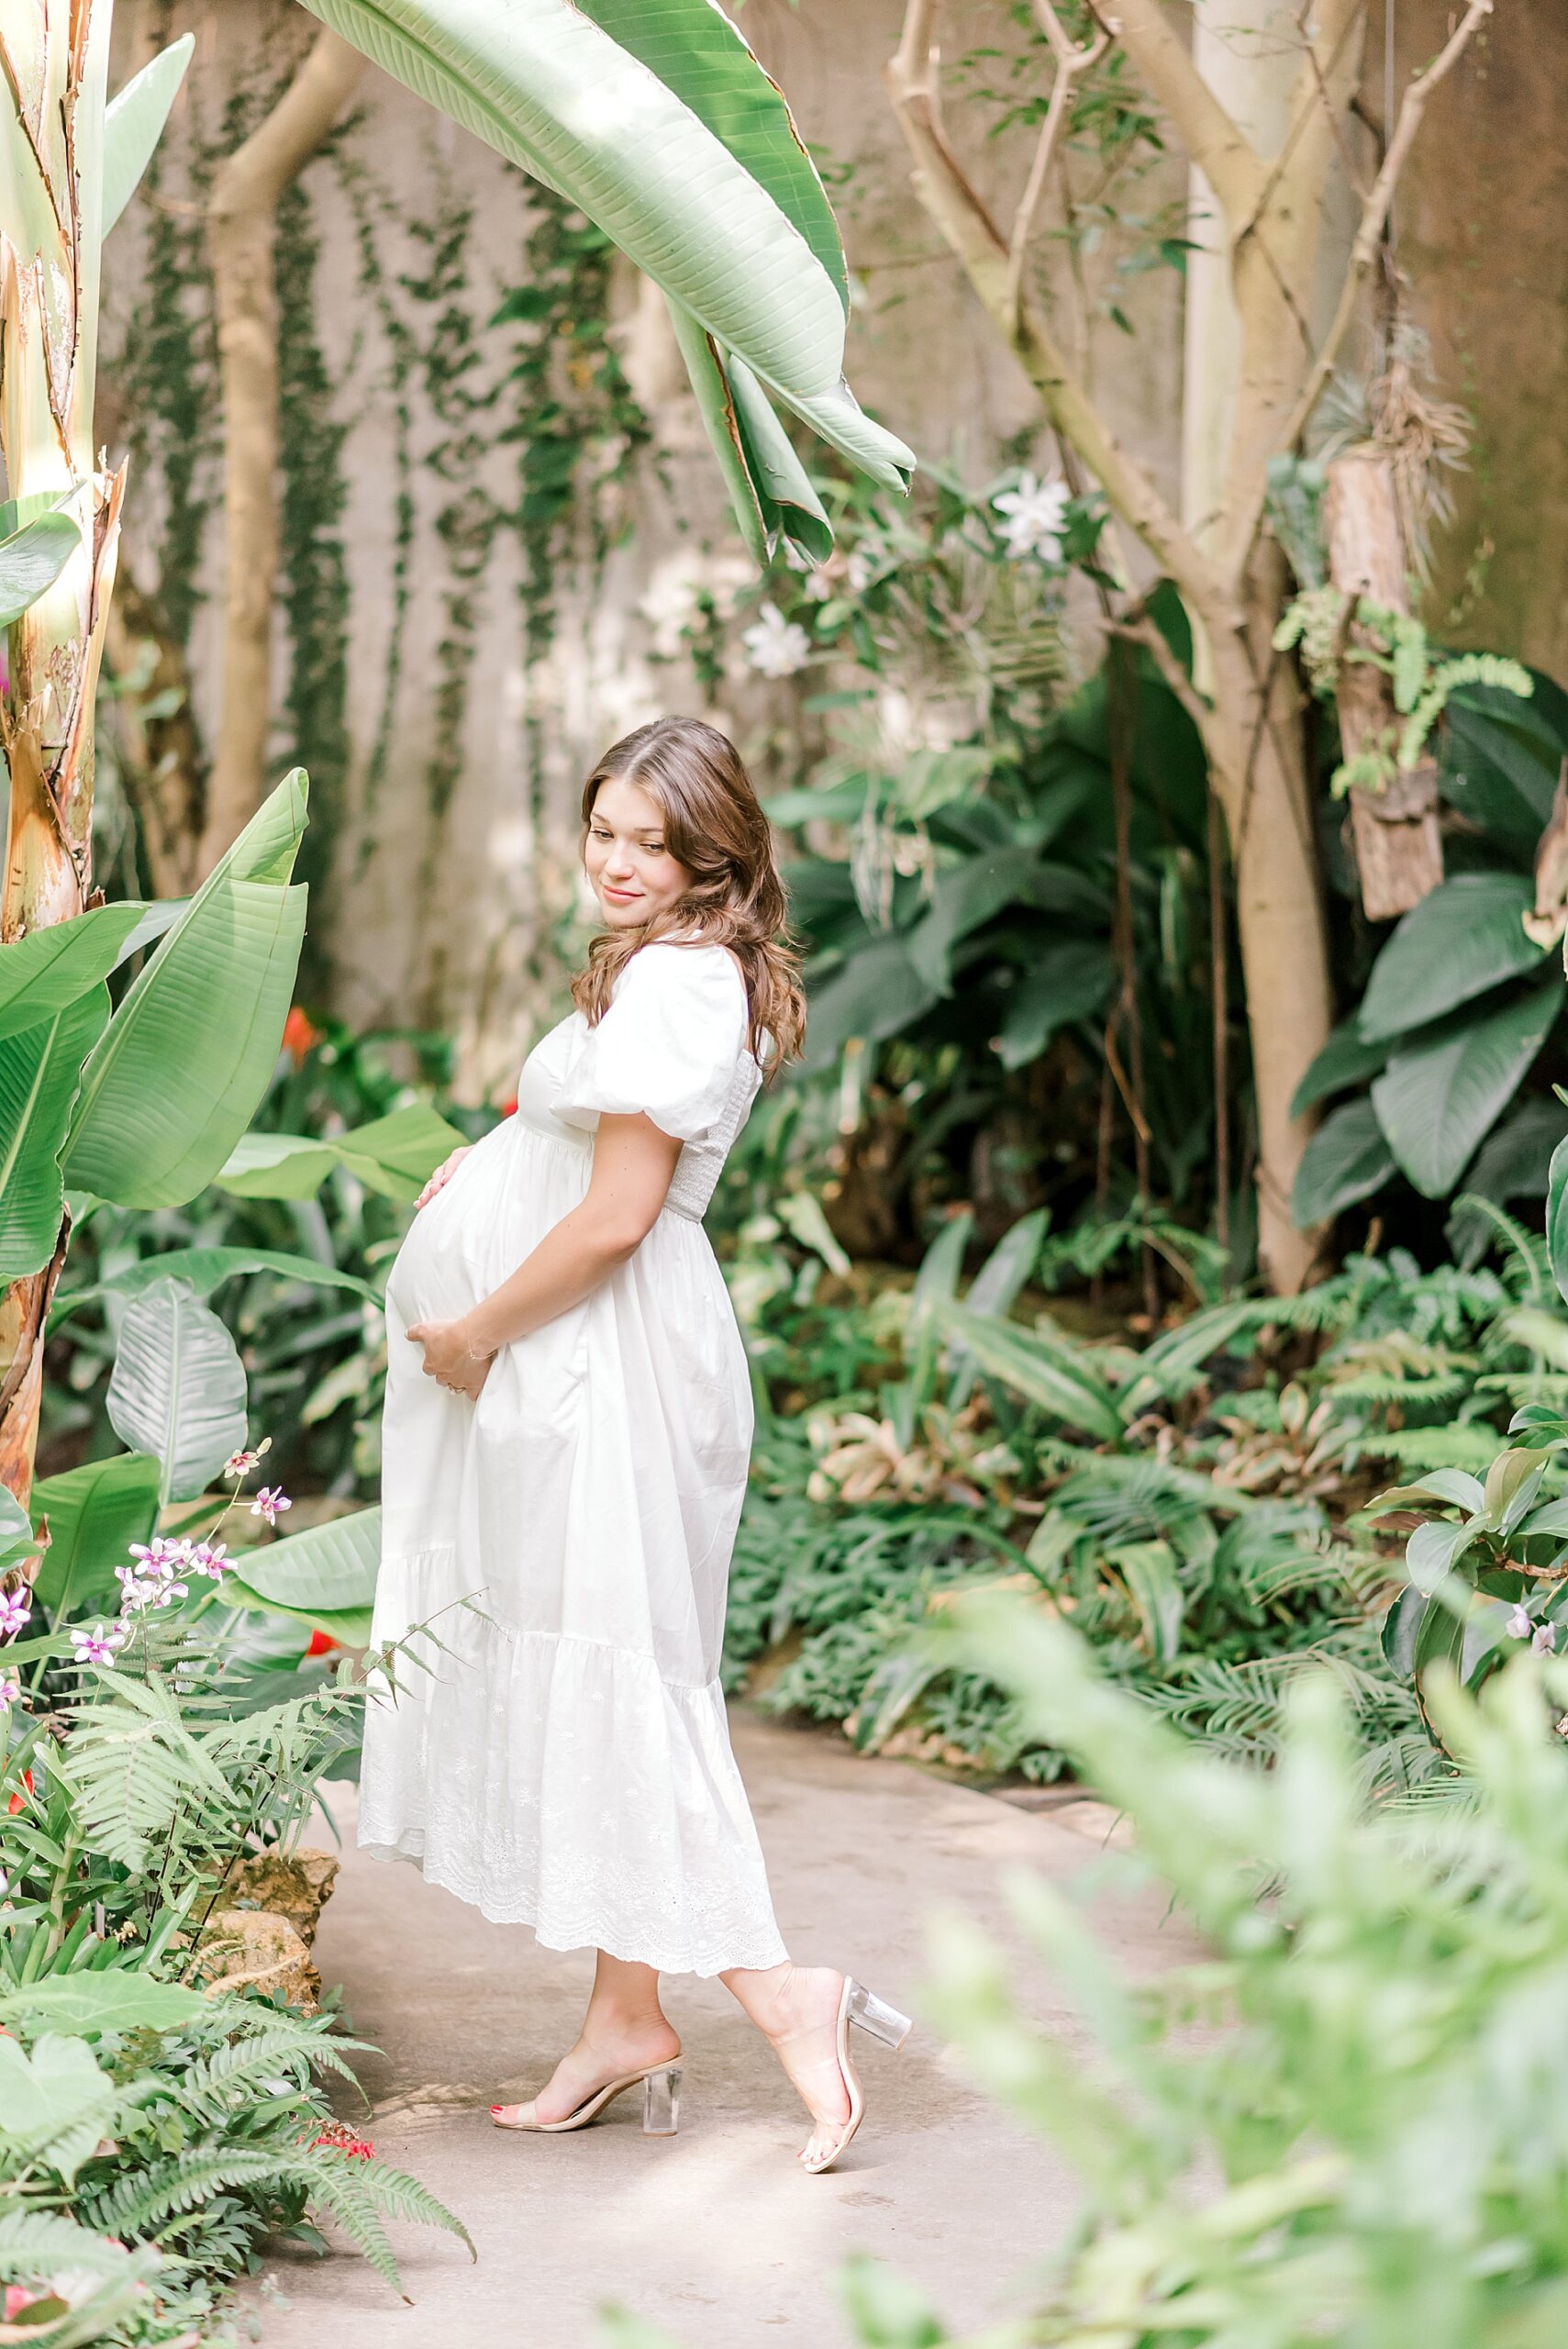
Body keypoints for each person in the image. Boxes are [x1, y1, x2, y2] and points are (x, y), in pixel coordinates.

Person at [358, 716, 910, 2172]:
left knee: (618, 1674)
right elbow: (579, 1143)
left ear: (707, 855)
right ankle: (621, 2018)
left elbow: (610, 1218)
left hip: (593, 1359)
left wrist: (474, 1330)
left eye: (648, 844)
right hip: (598, 1357)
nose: (614, 862)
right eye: (601, 830)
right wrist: (491, 1155)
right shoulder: (669, 969)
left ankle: (781, 1990)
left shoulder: (678, 979)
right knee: (596, 1661)